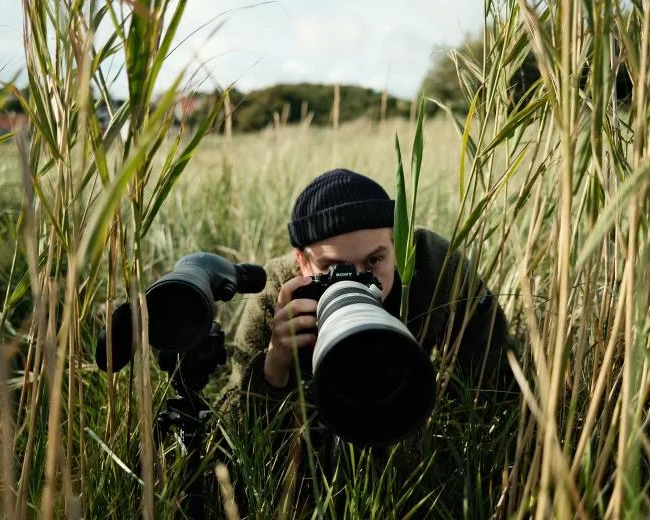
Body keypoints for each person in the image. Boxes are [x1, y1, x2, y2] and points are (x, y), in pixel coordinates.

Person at [221, 168, 516, 515]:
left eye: (374, 261)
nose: (359, 280)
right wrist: (274, 368)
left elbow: (498, 383)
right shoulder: (279, 290)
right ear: (301, 262)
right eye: (333, 268)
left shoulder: (435, 267)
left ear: (398, 244)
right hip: (311, 457)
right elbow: (233, 429)